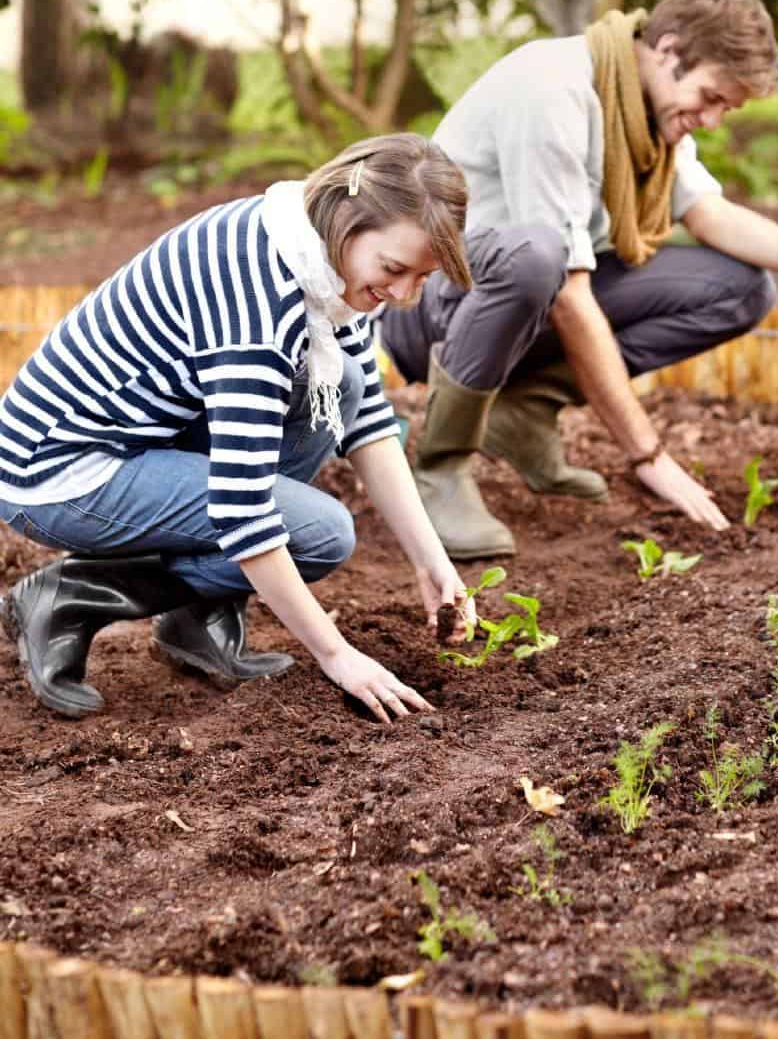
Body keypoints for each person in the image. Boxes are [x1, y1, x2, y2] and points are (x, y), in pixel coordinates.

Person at [379, 0, 778, 560]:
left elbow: (708, 212)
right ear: (668, 52)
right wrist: (648, 456)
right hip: (433, 301)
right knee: (538, 257)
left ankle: (521, 409)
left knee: (739, 289)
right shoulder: (552, 94)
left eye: (727, 108)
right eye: (712, 97)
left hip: (523, 300)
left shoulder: (640, 107)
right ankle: (441, 467)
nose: (713, 120)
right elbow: (567, 291)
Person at [0, 133, 475, 722]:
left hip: (150, 437)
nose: (402, 295)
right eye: (395, 269)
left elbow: (368, 419)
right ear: (348, 218)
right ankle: (74, 593)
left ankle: (195, 619)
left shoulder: (313, 254)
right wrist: (338, 656)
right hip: (60, 470)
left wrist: (433, 564)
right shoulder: (259, 300)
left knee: (343, 382)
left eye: (421, 279)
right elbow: (243, 509)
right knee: (321, 533)